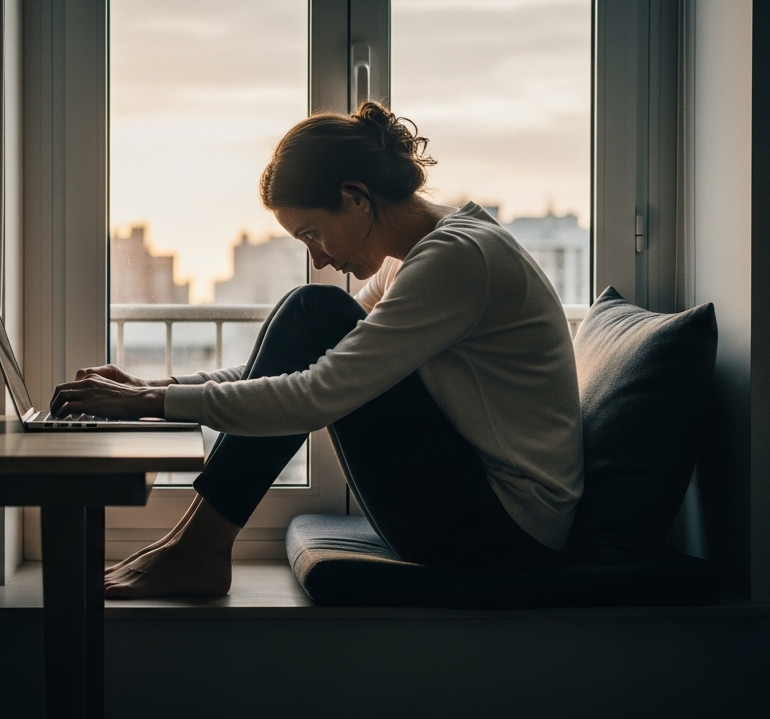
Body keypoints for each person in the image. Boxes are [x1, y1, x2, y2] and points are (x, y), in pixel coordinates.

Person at [51, 102, 583, 599]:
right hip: (476, 509)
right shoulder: (420, 255)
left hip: (506, 532)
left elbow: (317, 394)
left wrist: (153, 405)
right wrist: (153, 388)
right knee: (316, 314)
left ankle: (197, 549)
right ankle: (192, 546)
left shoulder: (459, 258)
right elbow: (305, 367)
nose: (320, 258)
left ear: (355, 197)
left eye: (314, 235)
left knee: (316, 310)